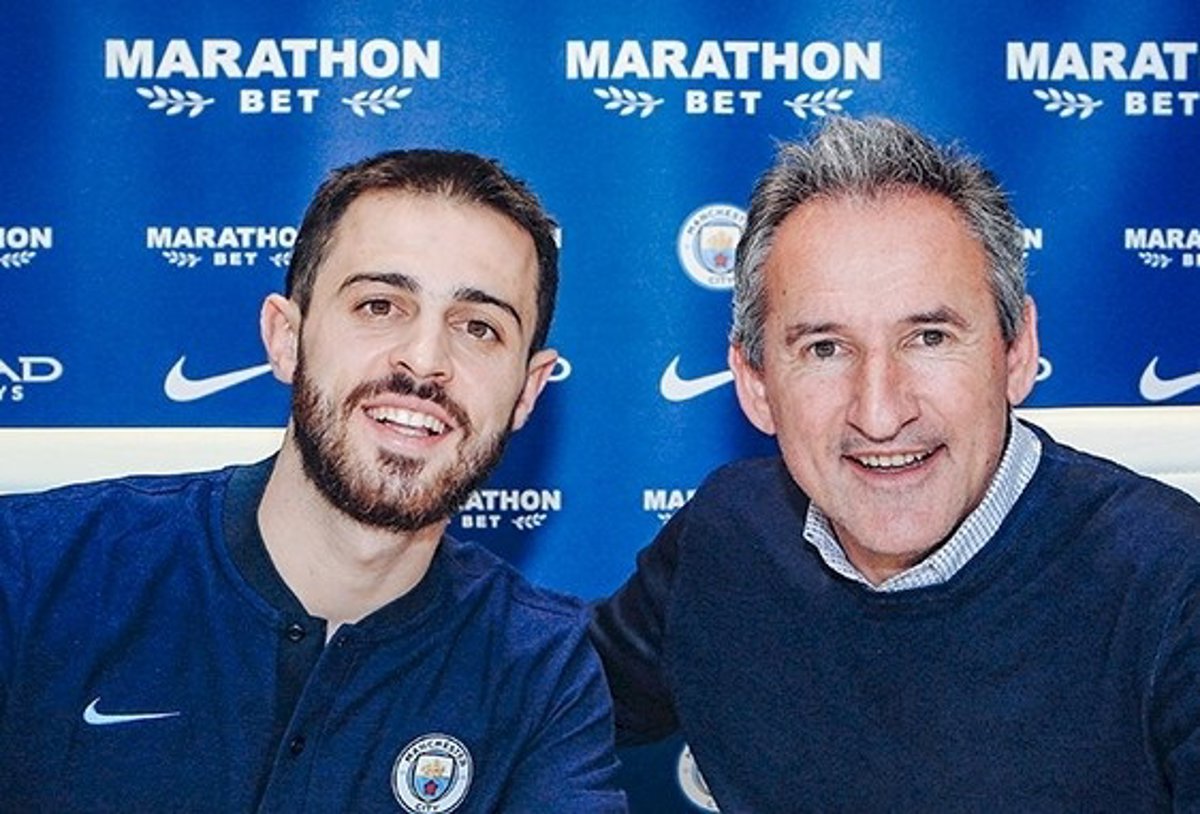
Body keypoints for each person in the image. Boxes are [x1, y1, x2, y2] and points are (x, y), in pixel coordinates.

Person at [591, 116, 1200, 811]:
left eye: (929, 337)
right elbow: (534, 697)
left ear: (1018, 352)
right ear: (755, 384)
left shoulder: (1173, 584)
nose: (880, 414)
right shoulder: (728, 536)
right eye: (825, 348)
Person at [0, 150, 626, 812]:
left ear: (527, 390)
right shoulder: (35, 573)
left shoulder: (541, 670)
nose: (424, 361)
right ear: (285, 339)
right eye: (380, 305)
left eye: (479, 328)